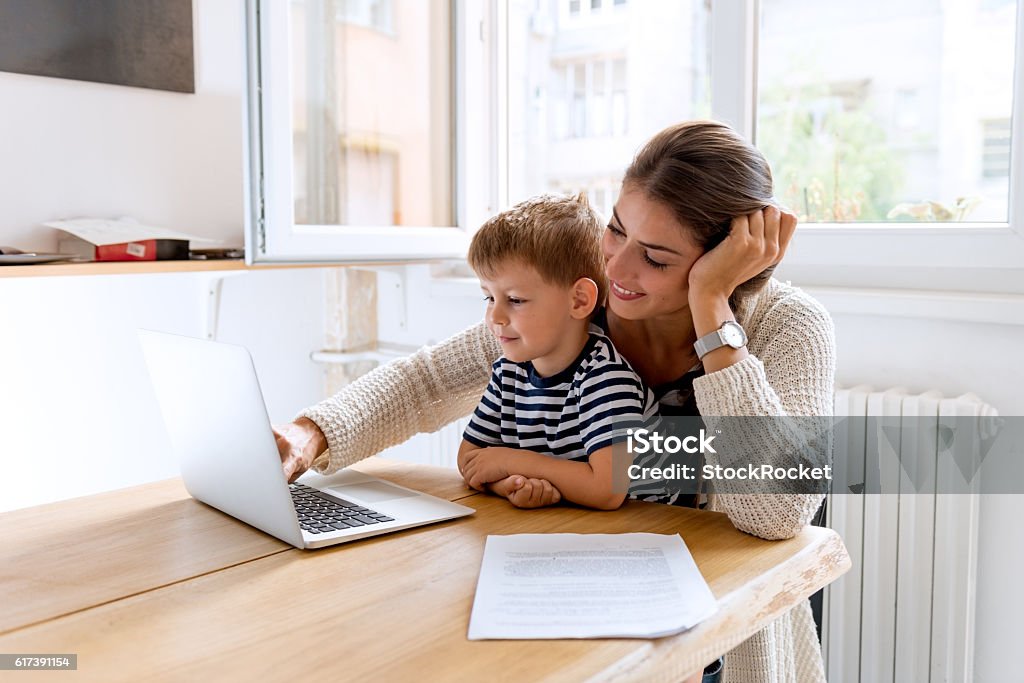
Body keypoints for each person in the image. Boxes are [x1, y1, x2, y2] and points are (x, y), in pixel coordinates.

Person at [274, 120, 835, 683]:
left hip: (712, 650)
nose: (615, 269)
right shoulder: (579, 301)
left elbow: (776, 514)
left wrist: (712, 309)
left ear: (729, 263)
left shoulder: (788, 328)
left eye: (657, 259)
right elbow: (428, 381)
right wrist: (308, 436)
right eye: (616, 231)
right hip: (578, 612)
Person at [457, 192, 658, 510]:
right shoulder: (509, 372)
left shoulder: (606, 378)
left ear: (578, 300)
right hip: (572, 529)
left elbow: (606, 490)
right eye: (489, 298)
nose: (494, 317)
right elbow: (471, 460)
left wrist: (513, 460)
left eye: (515, 300)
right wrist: (509, 483)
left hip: (648, 534)